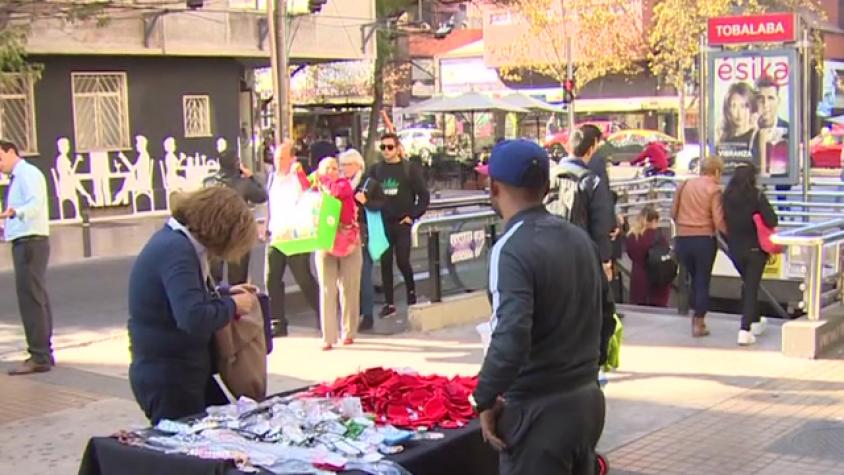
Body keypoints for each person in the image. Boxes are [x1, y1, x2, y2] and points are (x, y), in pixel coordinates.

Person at [471, 139, 607, 474]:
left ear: (494, 187)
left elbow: (511, 336)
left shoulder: (511, 249)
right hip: (586, 403)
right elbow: (607, 316)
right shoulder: (578, 238)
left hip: (538, 412)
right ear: (546, 187)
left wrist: (484, 398)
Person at [128, 187, 259, 423]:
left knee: (228, 428)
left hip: (182, 371)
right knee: (195, 450)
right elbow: (192, 316)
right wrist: (233, 306)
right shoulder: (176, 250)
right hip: (170, 377)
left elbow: (184, 296)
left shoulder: (176, 243)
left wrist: (224, 294)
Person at [1, 140, 55, 375]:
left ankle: (39, 355)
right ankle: (44, 351)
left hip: (30, 242)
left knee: (31, 298)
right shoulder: (18, 176)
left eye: (0, 158)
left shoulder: (28, 174)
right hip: (25, 240)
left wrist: (16, 212)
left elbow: (35, 204)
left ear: (11, 151)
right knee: (37, 296)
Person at [367, 132, 430, 318]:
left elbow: (424, 196)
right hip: (383, 222)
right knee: (385, 262)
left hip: (402, 223)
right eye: (383, 148)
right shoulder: (376, 170)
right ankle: (389, 303)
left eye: (390, 147)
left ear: (397, 148)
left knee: (403, 260)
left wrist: (413, 215)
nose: (386, 151)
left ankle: (411, 293)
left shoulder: (408, 169)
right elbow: (366, 190)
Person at [265, 141, 321, 337]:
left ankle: (324, 315)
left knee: (304, 279)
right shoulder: (271, 178)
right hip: (277, 234)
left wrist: (299, 172)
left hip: (296, 236)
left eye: (282, 158)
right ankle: (278, 322)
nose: (278, 162)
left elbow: (310, 193)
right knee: (271, 279)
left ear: (292, 158)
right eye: (276, 158)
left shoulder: (296, 177)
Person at [549, 125, 615, 281]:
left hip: (550, 256)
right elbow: (601, 227)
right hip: (582, 259)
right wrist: (605, 261)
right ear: (591, 148)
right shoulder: (591, 181)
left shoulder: (550, 176)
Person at [672, 156, 727, 338]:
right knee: (702, 280)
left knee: (692, 278)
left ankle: (692, 311)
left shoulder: (685, 185)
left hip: (683, 239)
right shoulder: (715, 190)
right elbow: (718, 221)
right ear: (717, 172)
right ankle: (699, 321)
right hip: (704, 239)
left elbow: (673, 212)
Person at [311, 157, 363, 350]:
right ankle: (328, 336)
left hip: (348, 241)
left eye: (335, 168)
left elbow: (337, 192)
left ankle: (349, 332)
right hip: (325, 241)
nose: (332, 171)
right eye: (327, 168)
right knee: (327, 289)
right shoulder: (314, 189)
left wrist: (323, 180)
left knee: (349, 287)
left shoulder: (343, 185)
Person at [723, 164, 777, 346]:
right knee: (751, 287)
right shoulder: (757, 196)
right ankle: (745, 329)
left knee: (748, 284)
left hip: (735, 249)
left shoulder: (727, 197)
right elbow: (772, 219)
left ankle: (755, 320)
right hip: (755, 248)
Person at [339, 149, 385, 333]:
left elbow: (381, 205)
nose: (343, 169)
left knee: (364, 275)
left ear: (357, 165)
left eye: (347, 165)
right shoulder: (342, 184)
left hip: (363, 235)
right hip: (344, 236)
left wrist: (366, 202)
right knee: (348, 277)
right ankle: (351, 313)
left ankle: (367, 315)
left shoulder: (369, 183)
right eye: (342, 165)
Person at [209, 149, 268, 285]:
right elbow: (262, 195)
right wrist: (252, 177)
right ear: (236, 164)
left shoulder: (209, 183)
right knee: (238, 281)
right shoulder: (244, 184)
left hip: (215, 233)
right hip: (238, 234)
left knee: (213, 279)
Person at [625, 206, 670, 307]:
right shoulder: (659, 237)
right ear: (654, 220)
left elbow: (630, 255)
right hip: (657, 282)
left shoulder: (632, 237)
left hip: (638, 281)